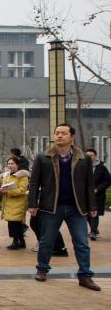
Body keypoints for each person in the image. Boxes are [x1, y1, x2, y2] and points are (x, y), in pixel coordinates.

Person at [29, 124, 100, 290]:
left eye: (63, 133)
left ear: (72, 137)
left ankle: (85, 275)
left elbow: (89, 184)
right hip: (51, 207)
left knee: (82, 243)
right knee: (46, 241)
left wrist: (92, 206)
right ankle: (42, 269)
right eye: (57, 133)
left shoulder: (84, 158)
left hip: (77, 208)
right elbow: (34, 183)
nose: (59, 136)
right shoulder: (43, 157)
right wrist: (32, 203)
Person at [0, 157, 30, 249]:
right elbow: (4, 186)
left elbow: (22, 190)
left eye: (12, 163)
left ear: (17, 165)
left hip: (18, 202)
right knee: (12, 222)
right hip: (8, 202)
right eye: (9, 164)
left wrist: (8, 191)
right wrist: (2, 189)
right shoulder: (6, 175)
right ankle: (21, 242)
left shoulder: (23, 176)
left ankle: (15, 242)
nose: (10, 165)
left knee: (15, 223)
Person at [86, 148, 110, 240]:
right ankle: (95, 230)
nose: (89, 157)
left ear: (95, 156)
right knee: (87, 214)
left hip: (97, 195)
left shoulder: (102, 168)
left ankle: (93, 231)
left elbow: (108, 181)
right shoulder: (83, 166)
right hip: (85, 195)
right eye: (87, 155)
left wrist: (98, 189)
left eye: (91, 155)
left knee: (94, 213)